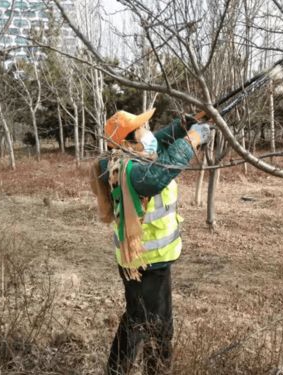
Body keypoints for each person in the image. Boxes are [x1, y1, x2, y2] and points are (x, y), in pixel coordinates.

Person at [89, 108, 210, 374]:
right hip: (150, 262)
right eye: (142, 128)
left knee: (135, 318)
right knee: (159, 327)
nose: (148, 130)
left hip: (133, 258)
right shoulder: (132, 169)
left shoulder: (115, 159)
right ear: (130, 140)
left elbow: (156, 139)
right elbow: (157, 175)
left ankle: (116, 370)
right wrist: (191, 140)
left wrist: (181, 126)